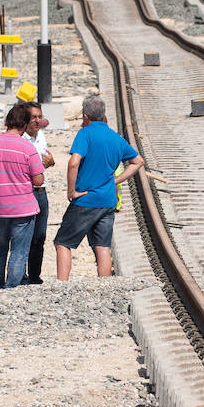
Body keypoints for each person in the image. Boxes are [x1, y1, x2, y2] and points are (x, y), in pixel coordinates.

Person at [54, 95, 143, 280]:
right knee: (102, 246)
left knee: (62, 242)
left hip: (86, 199)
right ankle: (104, 284)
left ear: (85, 116)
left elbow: (73, 163)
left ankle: (61, 284)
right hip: (108, 200)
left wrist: (71, 191)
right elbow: (138, 162)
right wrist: (115, 181)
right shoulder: (116, 138)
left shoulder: (85, 134)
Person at [0, 102, 43, 290]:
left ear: (7, 122)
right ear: (24, 125)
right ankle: (12, 288)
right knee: (19, 250)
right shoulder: (28, 148)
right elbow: (38, 180)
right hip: (23, 206)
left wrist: (0, 176)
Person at [22, 102, 56, 284]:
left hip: (41, 191)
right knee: (23, 235)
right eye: (33, 117)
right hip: (26, 191)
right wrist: (46, 164)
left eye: (39, 116)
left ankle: (35, 276)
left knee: (40, 236)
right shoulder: (21, 139)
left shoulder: (41, 136)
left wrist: (50, 163)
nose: (37, 121)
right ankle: (19, 275)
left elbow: (43, 163)